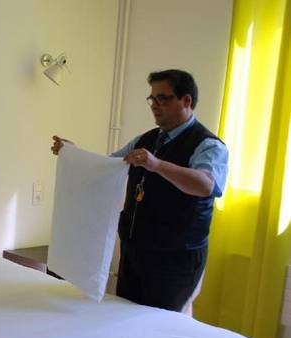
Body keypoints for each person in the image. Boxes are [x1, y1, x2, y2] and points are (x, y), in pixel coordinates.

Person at [51, 69, 228, 312]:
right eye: (152, 98)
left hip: (175, 259)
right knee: (125, 315)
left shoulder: (208, 145)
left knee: (161, 323)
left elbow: (206, 185)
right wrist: (73, 152)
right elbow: (107, 167)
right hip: (135, 252)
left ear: (186, 100)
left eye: (162, 98)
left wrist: (157, 165)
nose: (154, 105)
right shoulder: (145, 139)